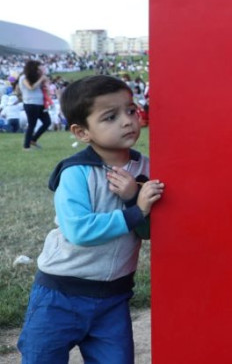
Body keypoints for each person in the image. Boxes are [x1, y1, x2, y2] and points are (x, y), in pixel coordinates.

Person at [17, 75, 164, 363]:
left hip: (114, 297)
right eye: (110, 117)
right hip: (60, 293)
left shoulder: (147, 166)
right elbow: (78, 230)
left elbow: (147, 231)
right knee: (41, 357)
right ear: (82, 132)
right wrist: (135, 210)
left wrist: (135, 198)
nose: (127, 121)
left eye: (131, 110)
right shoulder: (75, 172)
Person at [19, 60, 52, 150]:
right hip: (30, 104)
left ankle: (33, 140)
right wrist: (41, 79)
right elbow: (31, 88)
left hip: (40, 104)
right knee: (32, 124)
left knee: (47, 122)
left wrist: (45, 82)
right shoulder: (23, 78)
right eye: (37, 69)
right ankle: (26, 146)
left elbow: (45, 89)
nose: (38, 71)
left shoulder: (37, 78)